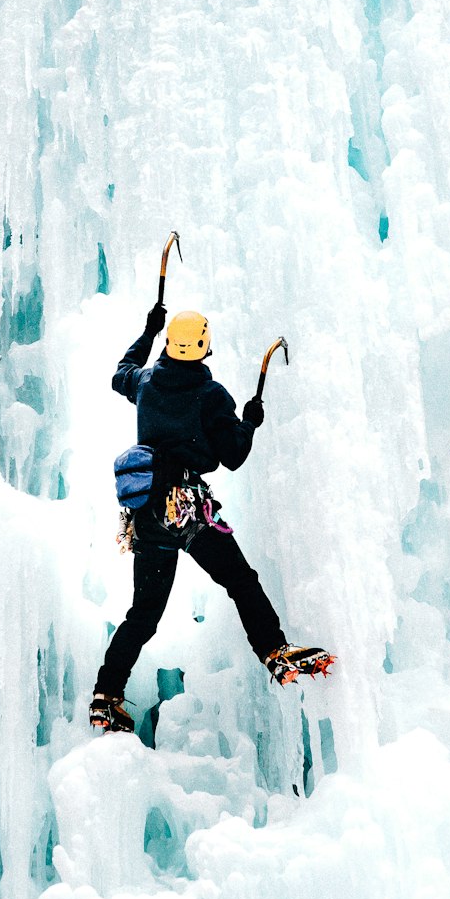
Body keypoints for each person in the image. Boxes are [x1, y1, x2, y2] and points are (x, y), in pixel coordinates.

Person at [90, 305, 335, 733]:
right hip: (187, 510)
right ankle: (274, 651)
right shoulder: (211, 394)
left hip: (147, 514)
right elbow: (234, 456)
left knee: (143, 614)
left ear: (169, 343)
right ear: (204, 346)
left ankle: (106, 696)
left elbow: (121, 371)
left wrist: (147, 330)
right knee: (241, 581)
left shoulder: (146, 382)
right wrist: (250, 420)